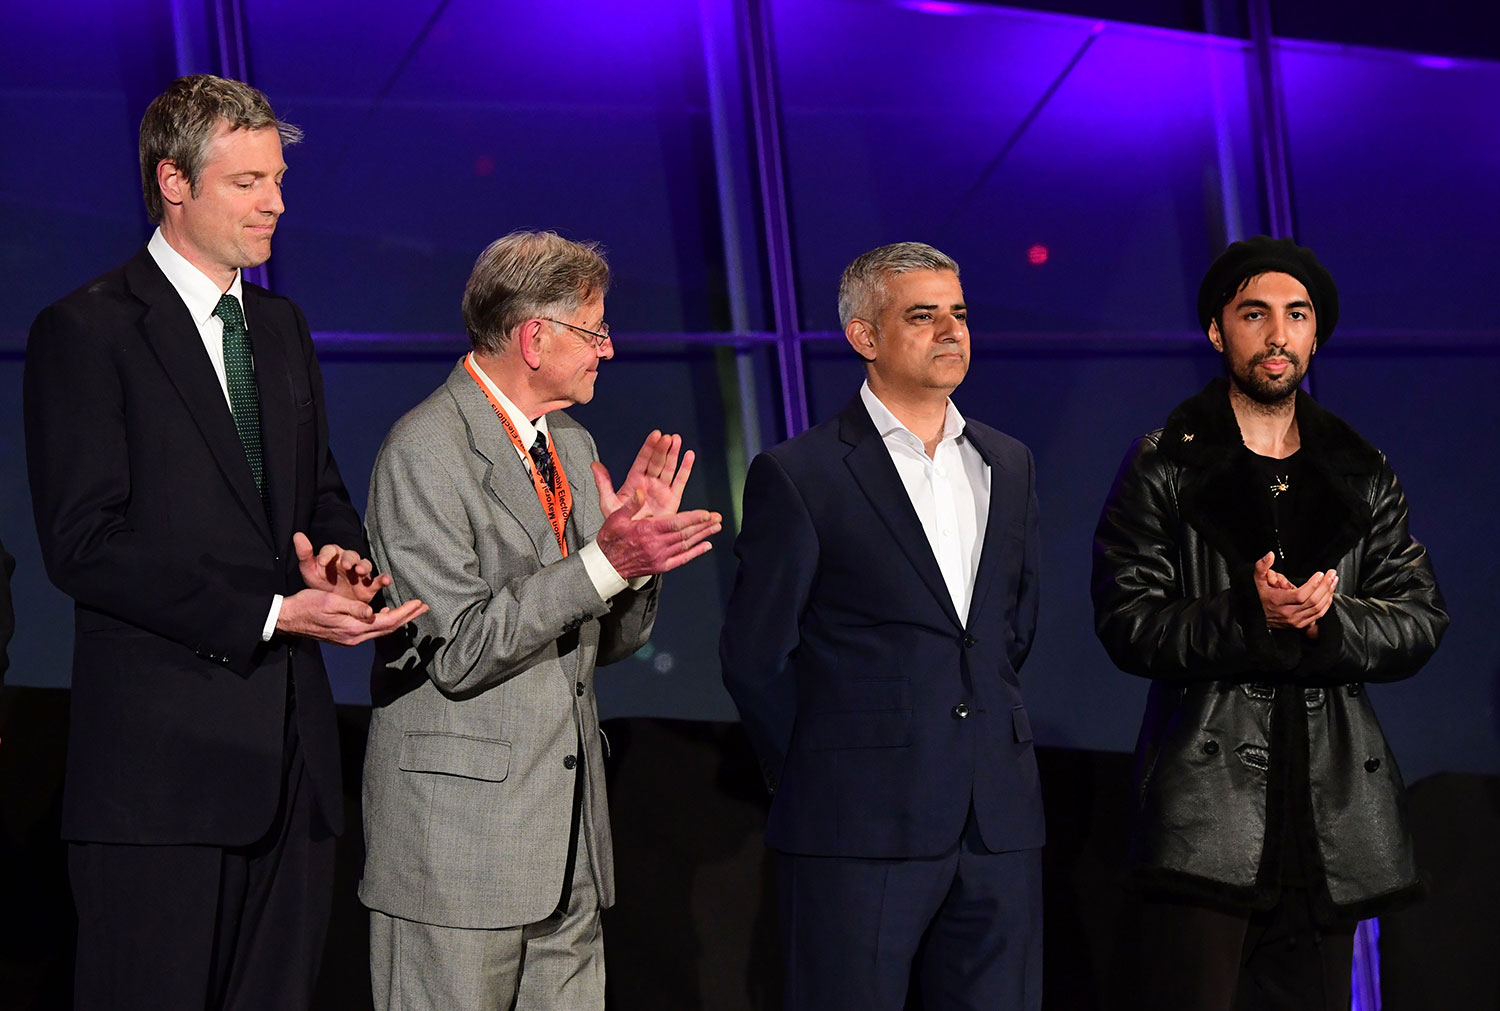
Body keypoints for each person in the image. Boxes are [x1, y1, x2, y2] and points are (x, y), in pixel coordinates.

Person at [23, 74, 426, 1011]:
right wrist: (276, 609)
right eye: (248, 182)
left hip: (291, 772)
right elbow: (83, 541)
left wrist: (339, 560)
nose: (277, 201)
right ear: (173, 181)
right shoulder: (86, 332)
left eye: (277, 179)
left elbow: (314, 493)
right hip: (160, 782)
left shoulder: (280, 328)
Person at [358, 229, 722, 1010]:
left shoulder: (572, 443)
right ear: (535, 336)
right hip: (455, 859)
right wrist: (603, 562)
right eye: (594, 331)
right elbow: (456, 650)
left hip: (568, 854)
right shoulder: (425, 449)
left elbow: (613, 640)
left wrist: (638, 561)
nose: (609, 350)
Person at [1091, 235, 1448, 1010]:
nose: (1278, 333)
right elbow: (1129, 620)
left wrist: (1330, 620)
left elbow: (1419, 616)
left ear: (1316, 334)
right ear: (1219, 330)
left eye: (1297, 315)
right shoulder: (1164, 462)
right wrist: (1245, 616)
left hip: (1330, 813)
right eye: (1255, 313)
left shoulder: (1360, 467)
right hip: (1205, 814)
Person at [720, 242, 1045, 1010]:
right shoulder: (800, 474)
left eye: (959, 314)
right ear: (864, 337)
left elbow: (1011, 628)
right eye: (923, 315)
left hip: (996, 823)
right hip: (855, 823)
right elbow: (756, 656)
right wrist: (828, 765)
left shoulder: (1010, 460)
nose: (951, 331)